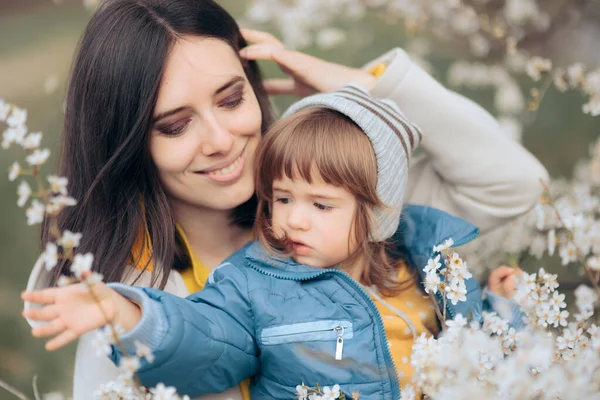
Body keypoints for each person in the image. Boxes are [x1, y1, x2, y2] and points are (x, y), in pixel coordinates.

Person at [22, 0, 547, 398]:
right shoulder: (126, 299)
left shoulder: (346, 203)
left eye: (231, 99)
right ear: (129, 143)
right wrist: (124, 311)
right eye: (176, 125)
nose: (221, 140)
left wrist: (364, 92)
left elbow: (513, 182)